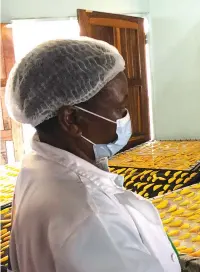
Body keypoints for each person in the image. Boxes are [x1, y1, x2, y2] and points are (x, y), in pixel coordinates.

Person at [5, 38, 180, 272]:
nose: (125, 116)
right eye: (119, 107)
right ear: (72, 119)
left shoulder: (36, 167)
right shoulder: (92, 219)